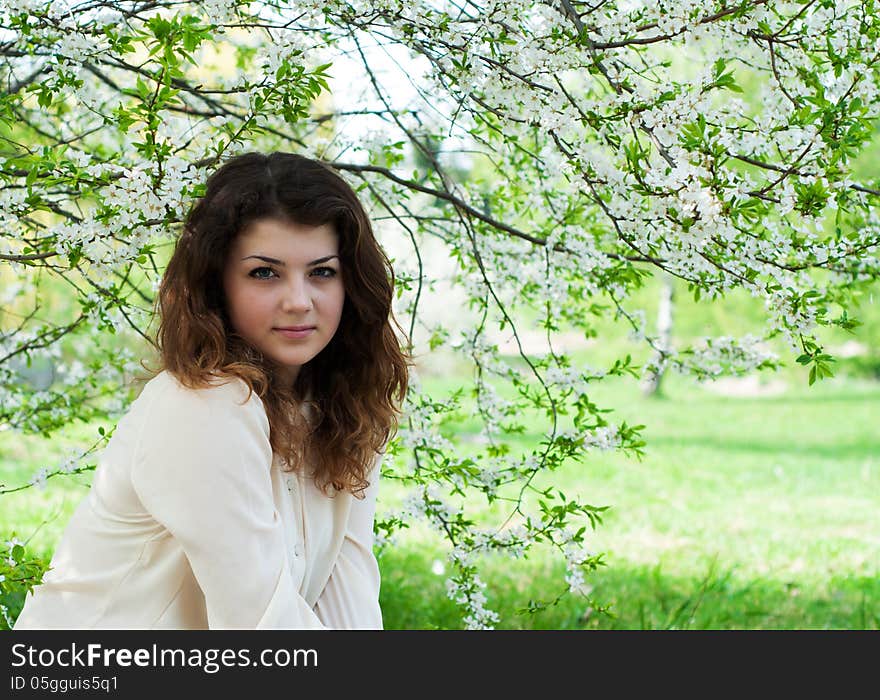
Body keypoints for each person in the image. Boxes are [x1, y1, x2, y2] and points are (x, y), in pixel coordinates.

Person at [14, 152, 410, 629]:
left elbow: (349, 601)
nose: (299, 301)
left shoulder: (342, 407)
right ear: (216, 283)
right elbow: (262, 626)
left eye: (322, 272)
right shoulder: (203, 405)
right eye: (265, 272)